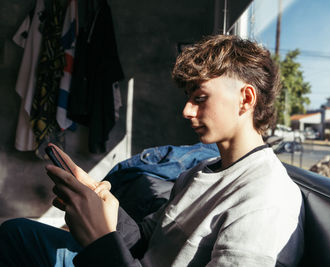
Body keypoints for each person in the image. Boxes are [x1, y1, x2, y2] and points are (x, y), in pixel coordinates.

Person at [0, 35, 304, 266]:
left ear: (246, 99)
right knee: (15, 233)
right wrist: (109, 209)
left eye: (199, 97)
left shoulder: (267, 201)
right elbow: (147, 239)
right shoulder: (201, 171)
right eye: (188, 97)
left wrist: (99, 241)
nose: (186, 111)